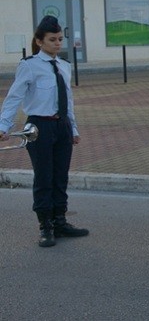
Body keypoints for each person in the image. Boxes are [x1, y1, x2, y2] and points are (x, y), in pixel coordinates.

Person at [0, 16, 88, 248]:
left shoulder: (64, 66)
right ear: (40, 41)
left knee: (61, 176)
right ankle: (45, 226)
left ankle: (60, 221)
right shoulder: (28, 65)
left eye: (60, 39)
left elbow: (67, 101)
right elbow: (14, 97)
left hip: (61, 126)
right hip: (39, 126)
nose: (58, 43)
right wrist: (3, 125)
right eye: (52, 39)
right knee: (44, 176)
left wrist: (73, 128)